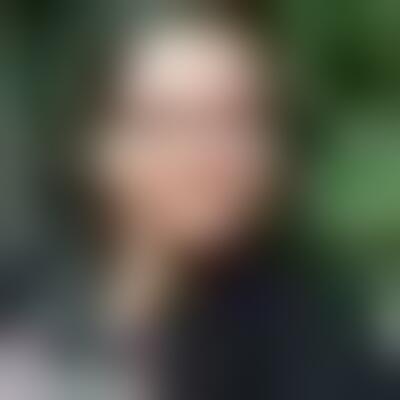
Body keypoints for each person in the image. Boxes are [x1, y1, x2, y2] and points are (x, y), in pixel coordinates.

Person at [1, 5, 378, 400]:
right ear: (94, 146)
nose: (209, 154)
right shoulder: (24, 303)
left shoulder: (321, 347)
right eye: (171, 123)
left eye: (240, 121)